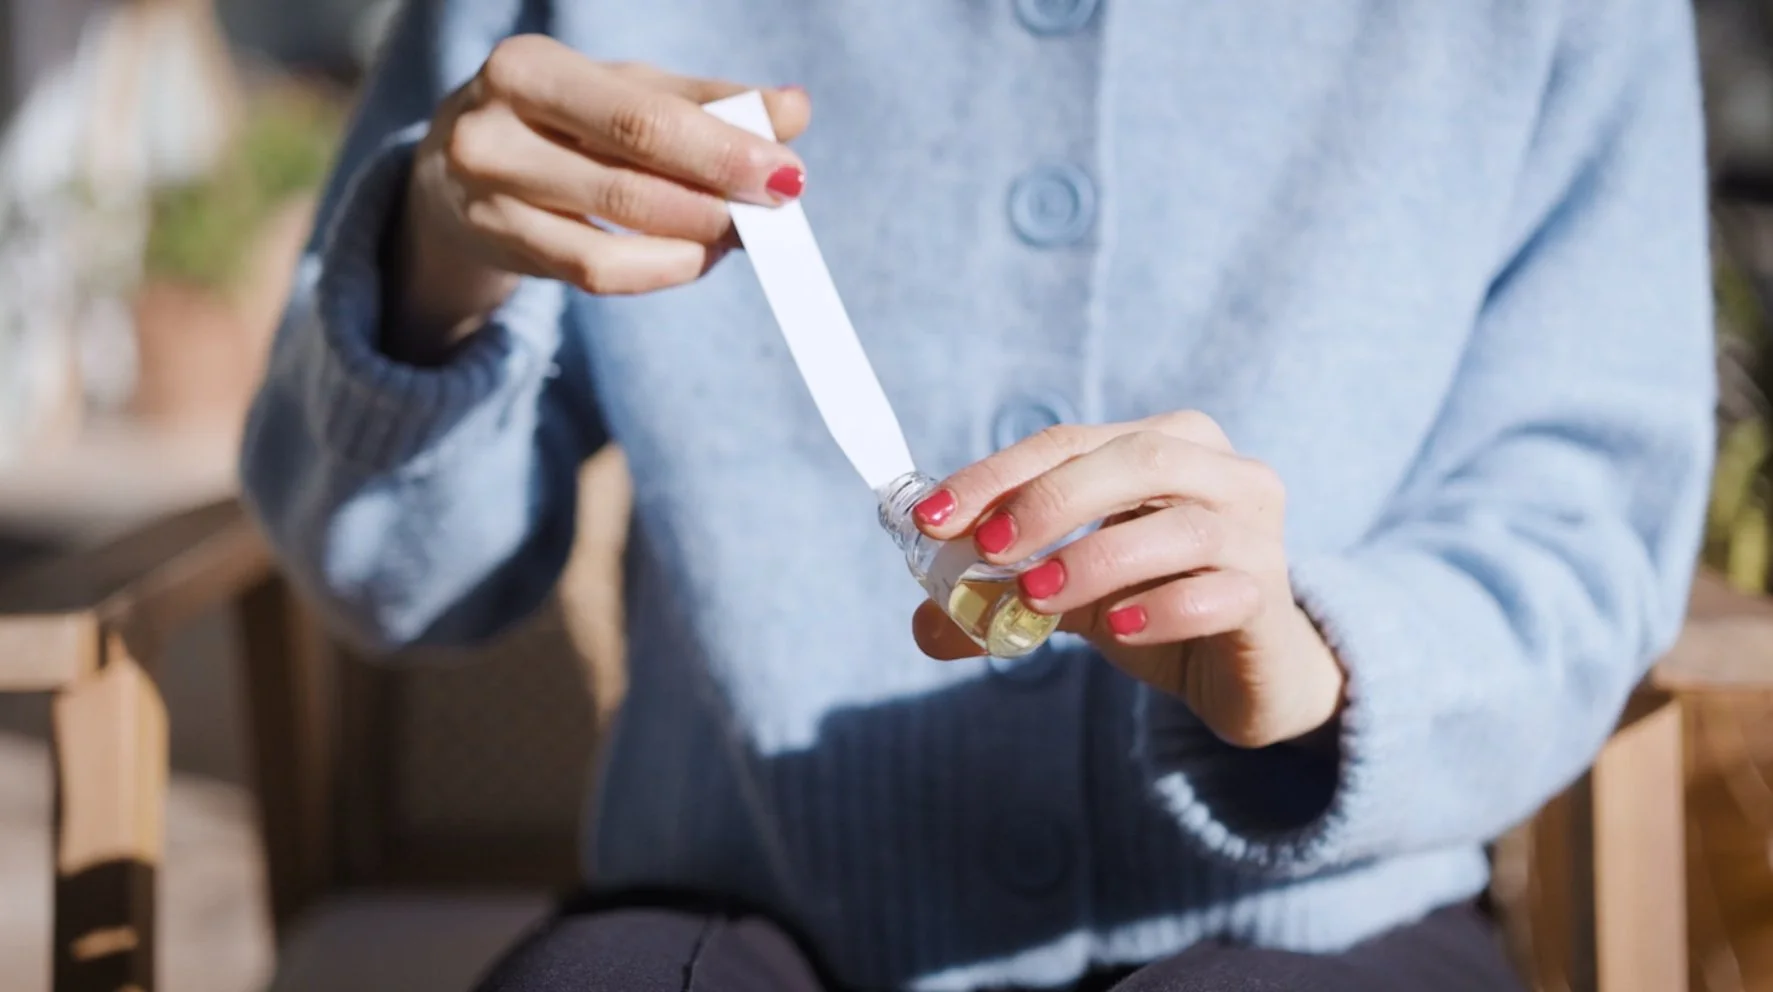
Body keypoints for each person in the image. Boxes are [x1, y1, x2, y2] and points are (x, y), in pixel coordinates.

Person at [238, 0, 1715, 989]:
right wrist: (434, 279)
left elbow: (1584, 511)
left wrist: (1315, 661)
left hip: (1327, 932)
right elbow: (390, 581)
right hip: (725, 924)